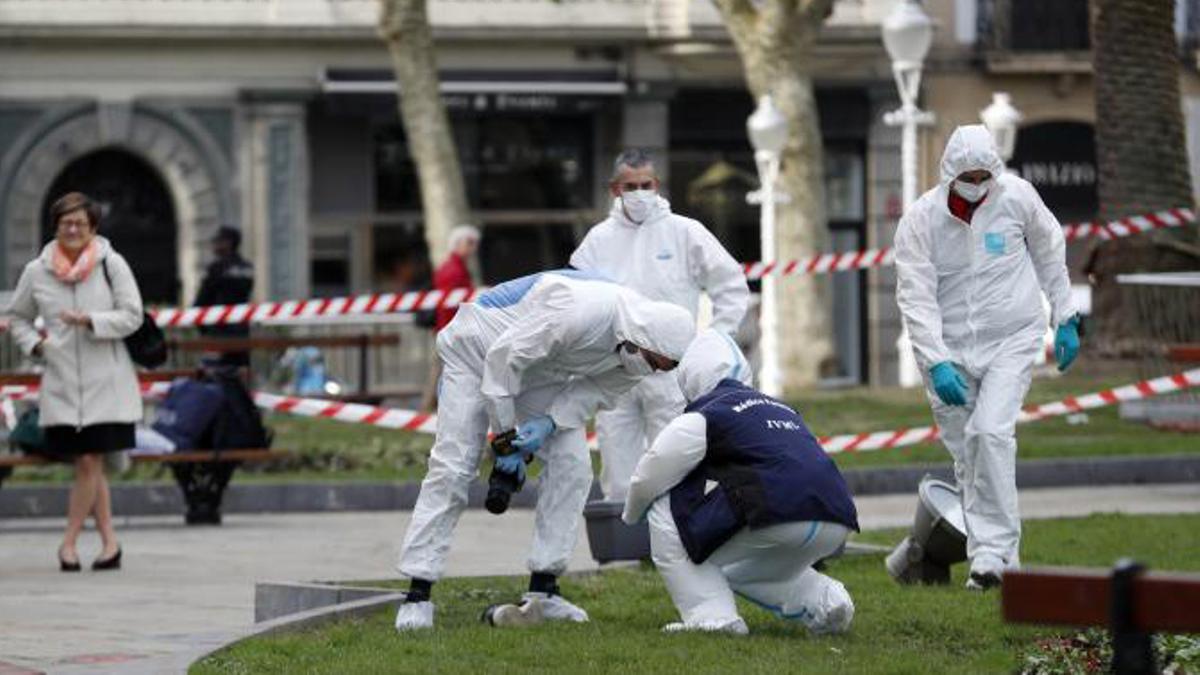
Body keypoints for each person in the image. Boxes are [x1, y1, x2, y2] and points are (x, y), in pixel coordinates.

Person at [394, 269, 696, 631]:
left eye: (662, 368)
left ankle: (545, 590)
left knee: (573, 466)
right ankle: (417, 595)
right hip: (476, 351)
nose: (651, 371)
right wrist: (505, 444)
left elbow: (592, 391)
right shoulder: (579, 314)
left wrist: (550, 423)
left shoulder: (645, 354)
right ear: (641, 341)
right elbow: (501, 365)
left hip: (538, 371)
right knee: (454, 465)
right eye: (652, 362)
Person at [894, 125, 1080, 590]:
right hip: (950, 348)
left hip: (1012, 337)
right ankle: (992, 562)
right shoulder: (921, 220)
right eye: (969, 176)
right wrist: (935, 360)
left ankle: (996, 555)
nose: (978, 185)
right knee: (968, 454)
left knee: (991, 432)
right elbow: (915, 297)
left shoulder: (1016, 197)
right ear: (949, 174)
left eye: (984, 175)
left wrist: (1066, 315)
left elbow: (1050, 251)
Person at [622, 329, 859, 635]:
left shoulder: (708, 412)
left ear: (693, 375)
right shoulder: (781, 406)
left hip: (777, 513)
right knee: (744, 571)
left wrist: (630, 515)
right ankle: (827, 603)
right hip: (835, 518)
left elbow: (650, 473)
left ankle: (712, 620)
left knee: (664, 502)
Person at [571, 148, 749, 501]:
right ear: (614, 189)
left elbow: (730, 284)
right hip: (614, 370)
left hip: (670, 372)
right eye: (630, 185)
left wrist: (713, 339)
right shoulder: (598, 241)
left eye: (645, 184)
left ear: (657, 184)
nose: (639, 193)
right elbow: (578, 302)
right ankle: (625, 540)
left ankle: (674, 544)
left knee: (673, 463)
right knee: (618, 467)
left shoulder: (685, 232)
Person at [5, 192, 145, 572]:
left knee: (88, 459)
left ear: (93, 228)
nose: (72, 229)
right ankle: (110, 543)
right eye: (66, 223)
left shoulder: (111, 264)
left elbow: (133, 315)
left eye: (80, 223)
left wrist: (91, 321)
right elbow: (16, 317)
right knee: (89, 464)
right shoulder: (37, 271)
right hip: (62, 381)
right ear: (55, 226)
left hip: (107, 381)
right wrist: (35, 344)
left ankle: (68, 544)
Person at [420, 225, 481, 412]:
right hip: (450, 327)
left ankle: (431, 405)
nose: (473, 247)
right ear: (457, 244)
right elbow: (450, 303)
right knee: (441, 368)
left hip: (450, 327)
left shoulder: (455, 267)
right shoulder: (453, 270)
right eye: (469, 243)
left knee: (444, 367)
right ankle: (428, 406)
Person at [194, 226, 254, 367]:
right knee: (239, 376)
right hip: (241, 333)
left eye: (217, 240)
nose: (214, 244)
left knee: (214, 376)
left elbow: (202, 299)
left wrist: (202, 328)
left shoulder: (217, 267)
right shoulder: (247, 267)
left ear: (229, 243)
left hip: (218, 331)